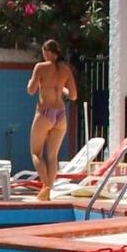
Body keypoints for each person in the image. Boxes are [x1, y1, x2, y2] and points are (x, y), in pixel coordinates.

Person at [26, 39, 78, 200]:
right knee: (53, 156)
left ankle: (47, 185)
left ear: (47, 52)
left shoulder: (40, 67)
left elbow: (31, 90)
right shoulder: (66, 70)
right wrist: (61, 88)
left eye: (43, 52)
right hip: (60, 114)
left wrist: (31, 82)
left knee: (36, 153)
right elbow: (73, 95)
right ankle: (47, 192)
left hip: (45, 113)